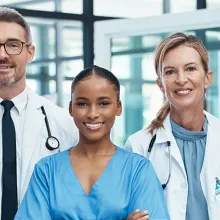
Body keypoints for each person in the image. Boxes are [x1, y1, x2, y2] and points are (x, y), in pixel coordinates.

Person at [15, 65, 170, 220]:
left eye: (103, 103)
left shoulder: (138, 170)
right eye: (82, 104)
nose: (92, 114)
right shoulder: (47, 171)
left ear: (118, 107)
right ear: (71, 108)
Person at [124, 32, 220, 220]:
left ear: (208, 78)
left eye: (190, 68)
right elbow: (127, 210)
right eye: (170, 72)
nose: (181, 79)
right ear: (160, 84)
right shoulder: (139, 147)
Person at [0, 7, 78, 220]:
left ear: (30, 52)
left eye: (13, 45)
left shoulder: (63, 123)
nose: (2, 54)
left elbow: (80, 197)